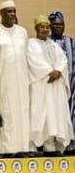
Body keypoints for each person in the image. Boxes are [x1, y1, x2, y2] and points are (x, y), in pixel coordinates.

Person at [0, 0, 31, 156]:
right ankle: (3, 150)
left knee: (21, 112)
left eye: (14, 11)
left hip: (21, 80)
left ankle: (22, 148)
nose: (12, 14)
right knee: (3, 112)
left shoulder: (22, 32)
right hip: (2, 80)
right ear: (1, 13)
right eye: (8, 11)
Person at [28, 15, 74, 154]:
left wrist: (58, 71)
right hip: (43, 85)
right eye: (42, 27)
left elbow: (63, 60)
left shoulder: (53, 44)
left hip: (56, 87)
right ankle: (48, 147)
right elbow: (34, 61)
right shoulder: (31, 44)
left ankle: (58, 147)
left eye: (47, 27)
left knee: (58, 115)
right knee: (45, 117)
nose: (45, 30)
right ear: (36, 29)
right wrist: (49, 72)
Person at [48, 11, 75, 150]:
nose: (58, 27)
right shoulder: (46, 42)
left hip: (71, 84)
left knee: (72, 112)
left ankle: (72, 143)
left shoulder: (71, 42)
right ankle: (58, 145)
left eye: (61, 24)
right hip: (54, 86)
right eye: (55, 25)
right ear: (50, 26)